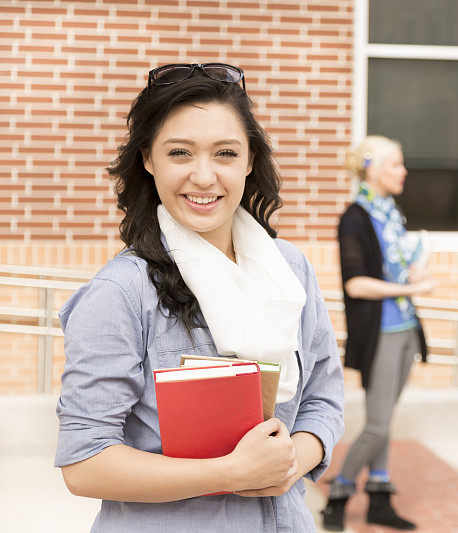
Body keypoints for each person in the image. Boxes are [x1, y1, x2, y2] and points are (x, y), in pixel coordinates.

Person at [54, 63, 344, 532]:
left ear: (251, 161)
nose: (204, 176)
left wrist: (289, 463)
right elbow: (85, 462)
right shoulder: (121, 293)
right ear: (148, 159)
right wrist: (231, 473)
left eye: (225, 153)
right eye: (181, 153)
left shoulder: (290, 270)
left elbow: (323, 398)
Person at [321, 136, 437, 531]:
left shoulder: (391, 213)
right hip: (381, 334)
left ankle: (380, 498)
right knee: (377, 425)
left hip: (406, 330)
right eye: (396, 165)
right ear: (372, 169)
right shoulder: (354, 217)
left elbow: (393, 267)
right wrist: (412, 289)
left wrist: (414, 272)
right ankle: (338, 493)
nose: (404, 172)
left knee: (385, 420)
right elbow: (356, 285)